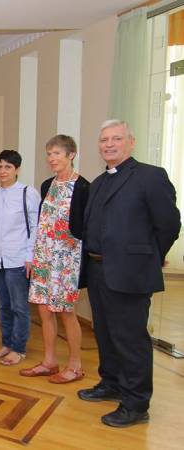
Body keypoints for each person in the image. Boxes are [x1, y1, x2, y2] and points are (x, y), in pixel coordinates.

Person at [78, 120, 180, 427]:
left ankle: (136, 404)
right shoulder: (97, 182)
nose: (109, 144)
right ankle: (110, 383)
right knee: (105, 333)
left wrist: (150, 256)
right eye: (104, 139)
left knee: (131, 339)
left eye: (116, 139)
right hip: (97, 270)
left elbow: (169, 225)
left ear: (130, 142)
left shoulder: (150, 176)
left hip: (129, 272)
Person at [20, 135, 90, 383]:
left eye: (56, 154)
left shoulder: (83, 187)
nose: (51, 159)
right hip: (44, 255)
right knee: (44, 309)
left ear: (71, 155)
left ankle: (75, 365)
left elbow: (86, 228)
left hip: (67, 260)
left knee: (65, 311)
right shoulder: (47, 184)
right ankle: (49, 361)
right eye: (49, 154)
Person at [0, 150, 40, 366]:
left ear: (17, 170)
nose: (3, 171)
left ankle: (19, 348)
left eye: (8, 167)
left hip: (17, 259)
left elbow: (35, 227)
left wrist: (30, 256)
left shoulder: (27, 193)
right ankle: (6, 343)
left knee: (19, 306)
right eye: (0, 166)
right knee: (3, 306)